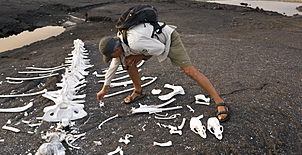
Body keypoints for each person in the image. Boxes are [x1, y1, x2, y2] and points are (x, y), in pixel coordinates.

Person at [96, 9, 230, 122]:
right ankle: (138, 91)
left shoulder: (134, 42)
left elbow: (160, 48)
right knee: (127, 62)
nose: (112, 58)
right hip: (150, 43)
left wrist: (139, 56)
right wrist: (104, 89)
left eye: (111, 55)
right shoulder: (119, 41)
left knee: (189, 71)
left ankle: (219, 102)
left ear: (116, 49)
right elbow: (114, 65)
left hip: (168, 40)